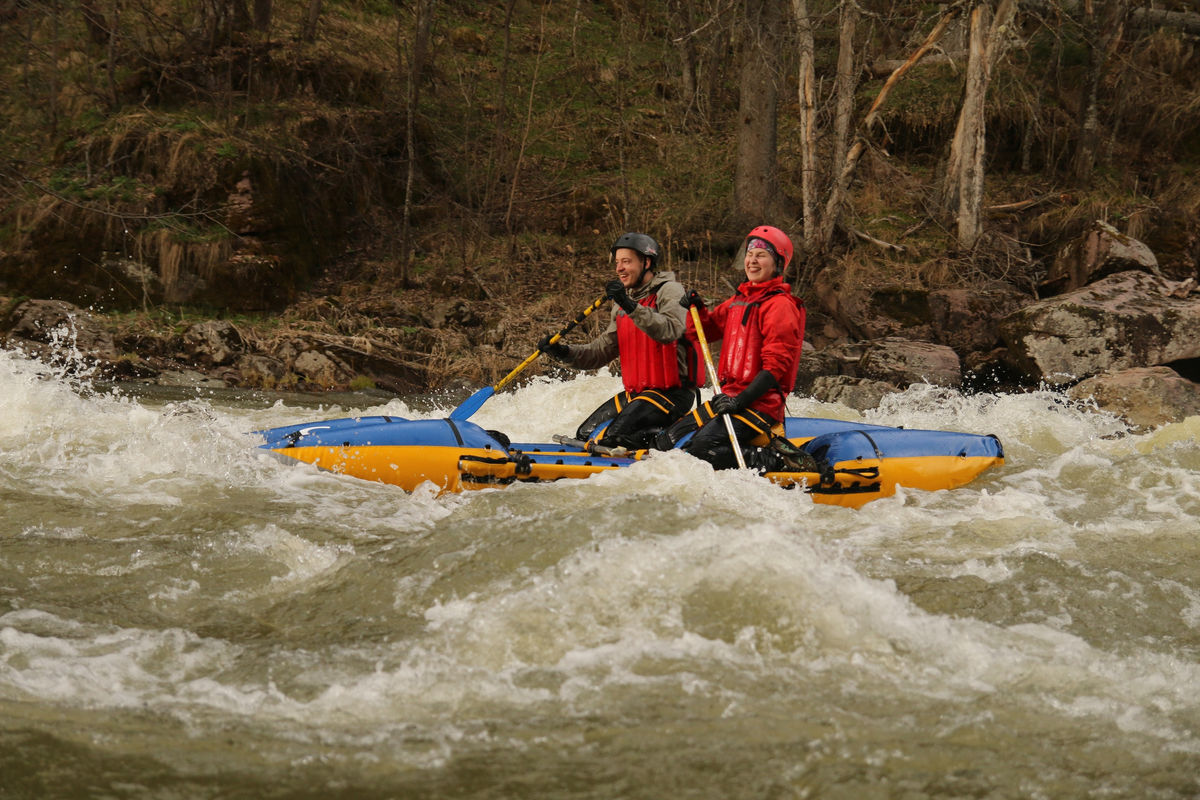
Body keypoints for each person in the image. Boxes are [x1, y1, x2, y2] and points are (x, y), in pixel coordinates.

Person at [538, 232, 703, 450]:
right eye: (617, 262)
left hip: (672, 395)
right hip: (637, 394)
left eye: (626, 261)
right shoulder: (623, 302)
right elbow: (601, 352)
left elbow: (669, 330)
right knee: (584, 434)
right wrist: (562, 352)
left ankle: (668, 439)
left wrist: (629, 304)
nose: (619, 268)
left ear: (647, 262)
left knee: (615, 437)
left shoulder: (670, 290)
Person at [675, 225, 807, 471]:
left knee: (701, 450)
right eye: (750, 254)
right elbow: (705, 332)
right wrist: (697, 308)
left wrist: (740, 402)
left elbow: (776, 367)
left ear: (777, 263)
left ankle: (779, 461)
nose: (752, 260)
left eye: (761, 255)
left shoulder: (780, 305)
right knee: (671, 443)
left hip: (759, 405)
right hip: (730, 398)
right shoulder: (738, 301)